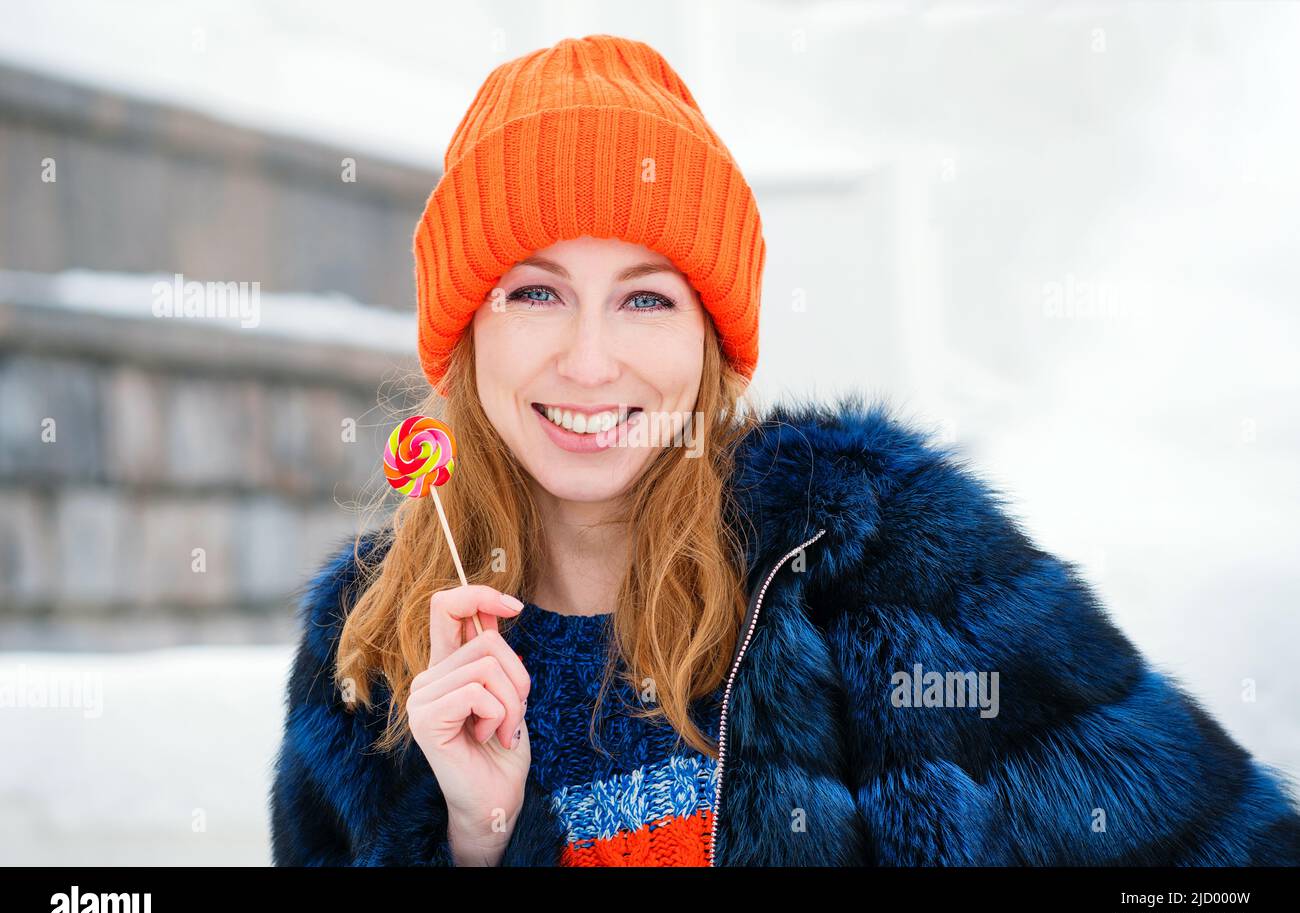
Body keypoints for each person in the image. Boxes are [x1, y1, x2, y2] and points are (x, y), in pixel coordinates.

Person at [269, 34, 1300, 867]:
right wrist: (476, 833)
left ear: (710, 342)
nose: (589, 361)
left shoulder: (876, 550)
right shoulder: (372, 646)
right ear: (467, 332)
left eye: (645, 298)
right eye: (535, 291)